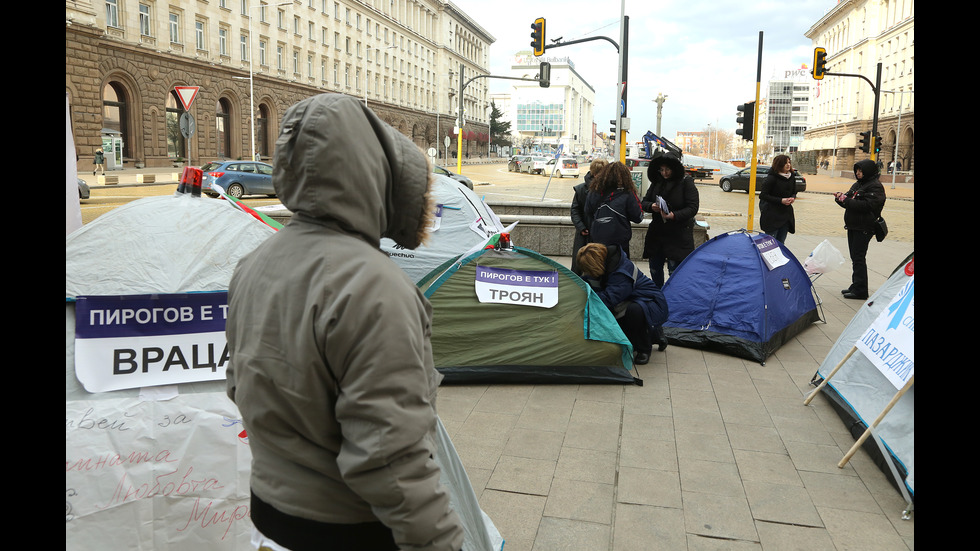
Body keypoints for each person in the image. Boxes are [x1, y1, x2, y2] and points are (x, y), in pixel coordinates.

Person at [225, 94, 464, 551]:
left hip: (272, 508)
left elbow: (241, 383)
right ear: (373, 171)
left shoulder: (254, 263)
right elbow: (390, 456)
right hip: (345, 524)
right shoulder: (375, 288)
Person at [577, 242, 669, 364]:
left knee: (635, 311)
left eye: (589, 270)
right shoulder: (607, 263)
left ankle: (644, 349)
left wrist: (581, 300)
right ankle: (655, 334)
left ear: (596, 265)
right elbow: (584, 281)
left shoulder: (621, 273)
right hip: (628, 301)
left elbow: (608, 300)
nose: (587, 273)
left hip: (651, 304)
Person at [641, 153, 700, 287]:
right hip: (657, 234)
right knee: (654, 268)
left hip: (678, 235)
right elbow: (644, 202)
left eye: (667, 169)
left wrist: (674, 215)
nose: (664, 173)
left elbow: (693, 207)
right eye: (661, 170)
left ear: (674, 169)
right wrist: (652, 206)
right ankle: (658, 295)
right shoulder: (657, 182)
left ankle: (672, 298)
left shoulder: (686, 182)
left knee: (675, 272)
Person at [834, 159, 886, 300]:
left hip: (864, 227)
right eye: (856, 170)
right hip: (853, 226)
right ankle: (856, 285)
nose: (858, 173)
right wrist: (840, 198)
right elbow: (849, 201)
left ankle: (861, 290)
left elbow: (866, 206)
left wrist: (846, 200)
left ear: (868, 171)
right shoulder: (859, 184)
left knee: (858, 258)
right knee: (855, 257)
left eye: (861, 170)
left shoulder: (875, 187)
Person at [584, 161, 643, 257]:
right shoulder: (627, 194)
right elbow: (638, 217)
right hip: (620, 242)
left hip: (597, 240)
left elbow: (588, 211)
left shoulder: (594, 192)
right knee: (620, 269)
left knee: (599, 268)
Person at [570, 159, 608, 274]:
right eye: (598, 174)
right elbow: (575, 210)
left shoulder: (610, 190)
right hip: (585, 233)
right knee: (579, 266)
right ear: (593, 173)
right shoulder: (581, 189)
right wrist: (581, 227)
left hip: (603, 233)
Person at [758, 155, 798, 243]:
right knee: (770, 244)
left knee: (781, 243)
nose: (788, 165)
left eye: (789, 162)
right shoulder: (771, 178)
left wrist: (793, 197)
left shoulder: (791, 177)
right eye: (785, 163)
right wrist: (781, 200)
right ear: (779, 164)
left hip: (785, 215)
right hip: (772, 216)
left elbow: (794, 191)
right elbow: (763, 195)